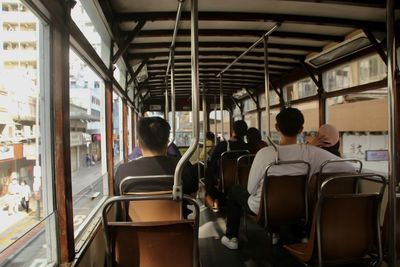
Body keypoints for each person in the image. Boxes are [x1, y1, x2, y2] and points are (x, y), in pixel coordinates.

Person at [220, 108, 354, 250]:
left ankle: (231, 237)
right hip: (297, 208)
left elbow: (251, 189)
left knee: (235, 191)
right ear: (301, 129)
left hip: (264, 207)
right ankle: (275, 233)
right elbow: (350, 168)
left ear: (277, 127)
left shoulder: (265, 153)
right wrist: (309, 148)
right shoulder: (311, 153)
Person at [114, 116, 197, 196]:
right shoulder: (183, 166)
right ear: (167, 142)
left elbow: (120, 202)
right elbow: (191, 198)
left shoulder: (123, 171)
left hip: (136, 211)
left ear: (138, 144)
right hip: (176, 211)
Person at [206, 120, 250, 210]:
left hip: (225, 179)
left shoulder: (223, 145)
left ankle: (213, 198)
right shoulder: (248, 148)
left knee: (208, 170)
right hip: (244, 179)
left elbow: (213, 162)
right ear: (245, 133)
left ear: (233, 131)